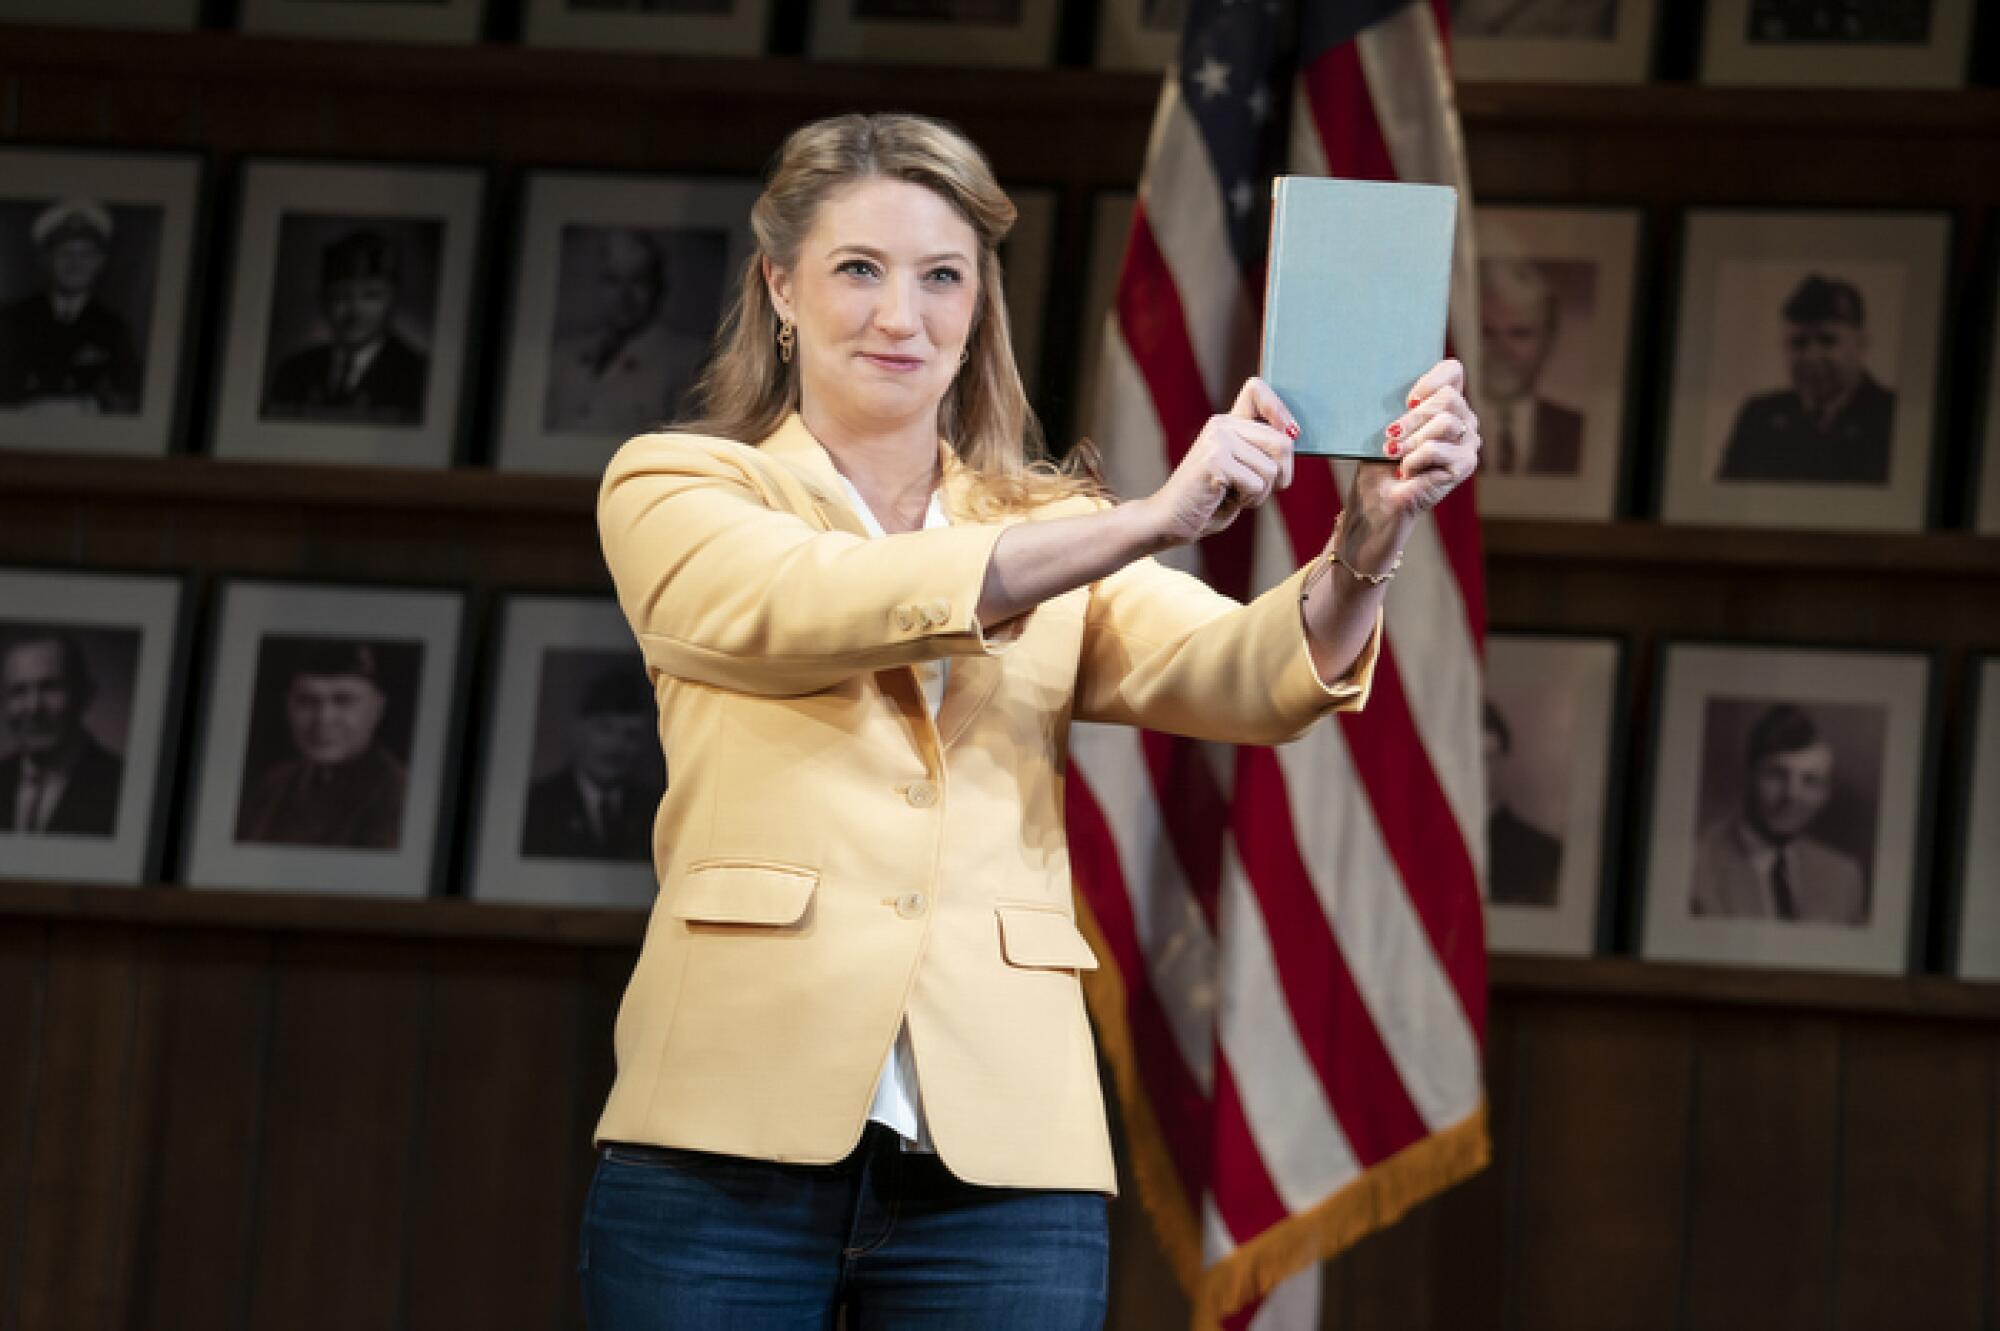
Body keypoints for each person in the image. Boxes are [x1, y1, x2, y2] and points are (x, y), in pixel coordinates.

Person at [576, 112, 1482, 1329]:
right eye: (858, 268)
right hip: (721, 1143)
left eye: (941, 276)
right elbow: (808, 602)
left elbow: (1246, 674)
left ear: (977, 302)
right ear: (778, 285)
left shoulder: (1045, 528)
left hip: (1001, 1161)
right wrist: (1146, 519)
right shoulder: (678, 484)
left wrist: (1367, 542)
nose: (902, 315)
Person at [1690, 702, 1867, 925]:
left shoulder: (1842, 876)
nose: (1792, 795)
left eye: (1810, 781)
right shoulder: (1695, 866)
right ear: (1747, 777)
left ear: (1825, 795)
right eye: (1776, 775)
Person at [1716, 273, 1895, 485]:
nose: (1811, 356)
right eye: (1798, 343)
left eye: (1828, 340)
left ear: (1861, 342)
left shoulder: (1891, 417)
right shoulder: (1757, 417)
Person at [236, 640, 408, 849]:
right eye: (307, 701)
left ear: (377, 709)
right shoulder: (271, 787)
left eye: (344, 700)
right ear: (288, 707)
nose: (323, 719)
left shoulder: (399, 796)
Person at [543, 227, 709, 436]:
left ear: (659, 287)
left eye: (638, 281)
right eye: (613, 280)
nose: (624, 295)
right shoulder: (563, 354)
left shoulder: (688, 359)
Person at [264, 227, 430, 425]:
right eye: (342, 296)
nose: (355, 311)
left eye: (371, 295)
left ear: (392, 298)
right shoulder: (293, 372)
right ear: (324, 300)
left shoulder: (417, 374)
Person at [0, 199, 143, 413]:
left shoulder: (113, 327)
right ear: (46, 259)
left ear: (100, 261)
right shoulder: (12, 318)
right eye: (65, 253)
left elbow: (127, 397)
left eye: (85, 254)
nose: (75, 263)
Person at [520, 665, 659, 861]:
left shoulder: (655, 808)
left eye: (631, 734)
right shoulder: (539, 805)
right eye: (605, 729)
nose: (616, 746)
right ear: (578, 731)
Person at [0, 628, 124, 836]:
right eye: (18, 691)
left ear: (85, 695)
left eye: (50, 687)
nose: (33, 708)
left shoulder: (121, 786)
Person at [1477, 259, 1583, 476]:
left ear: (1549, 339)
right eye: (1487, 332)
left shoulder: (1577, 431)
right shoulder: (1431, 430)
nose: (1501, 350)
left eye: (1520, 333)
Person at [1483, 700, 1562, 907]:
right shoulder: (1412, 848)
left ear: (1505, 762)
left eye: (1487, 757)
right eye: (1467, 758)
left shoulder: (1544, 854)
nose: (1478, 771)